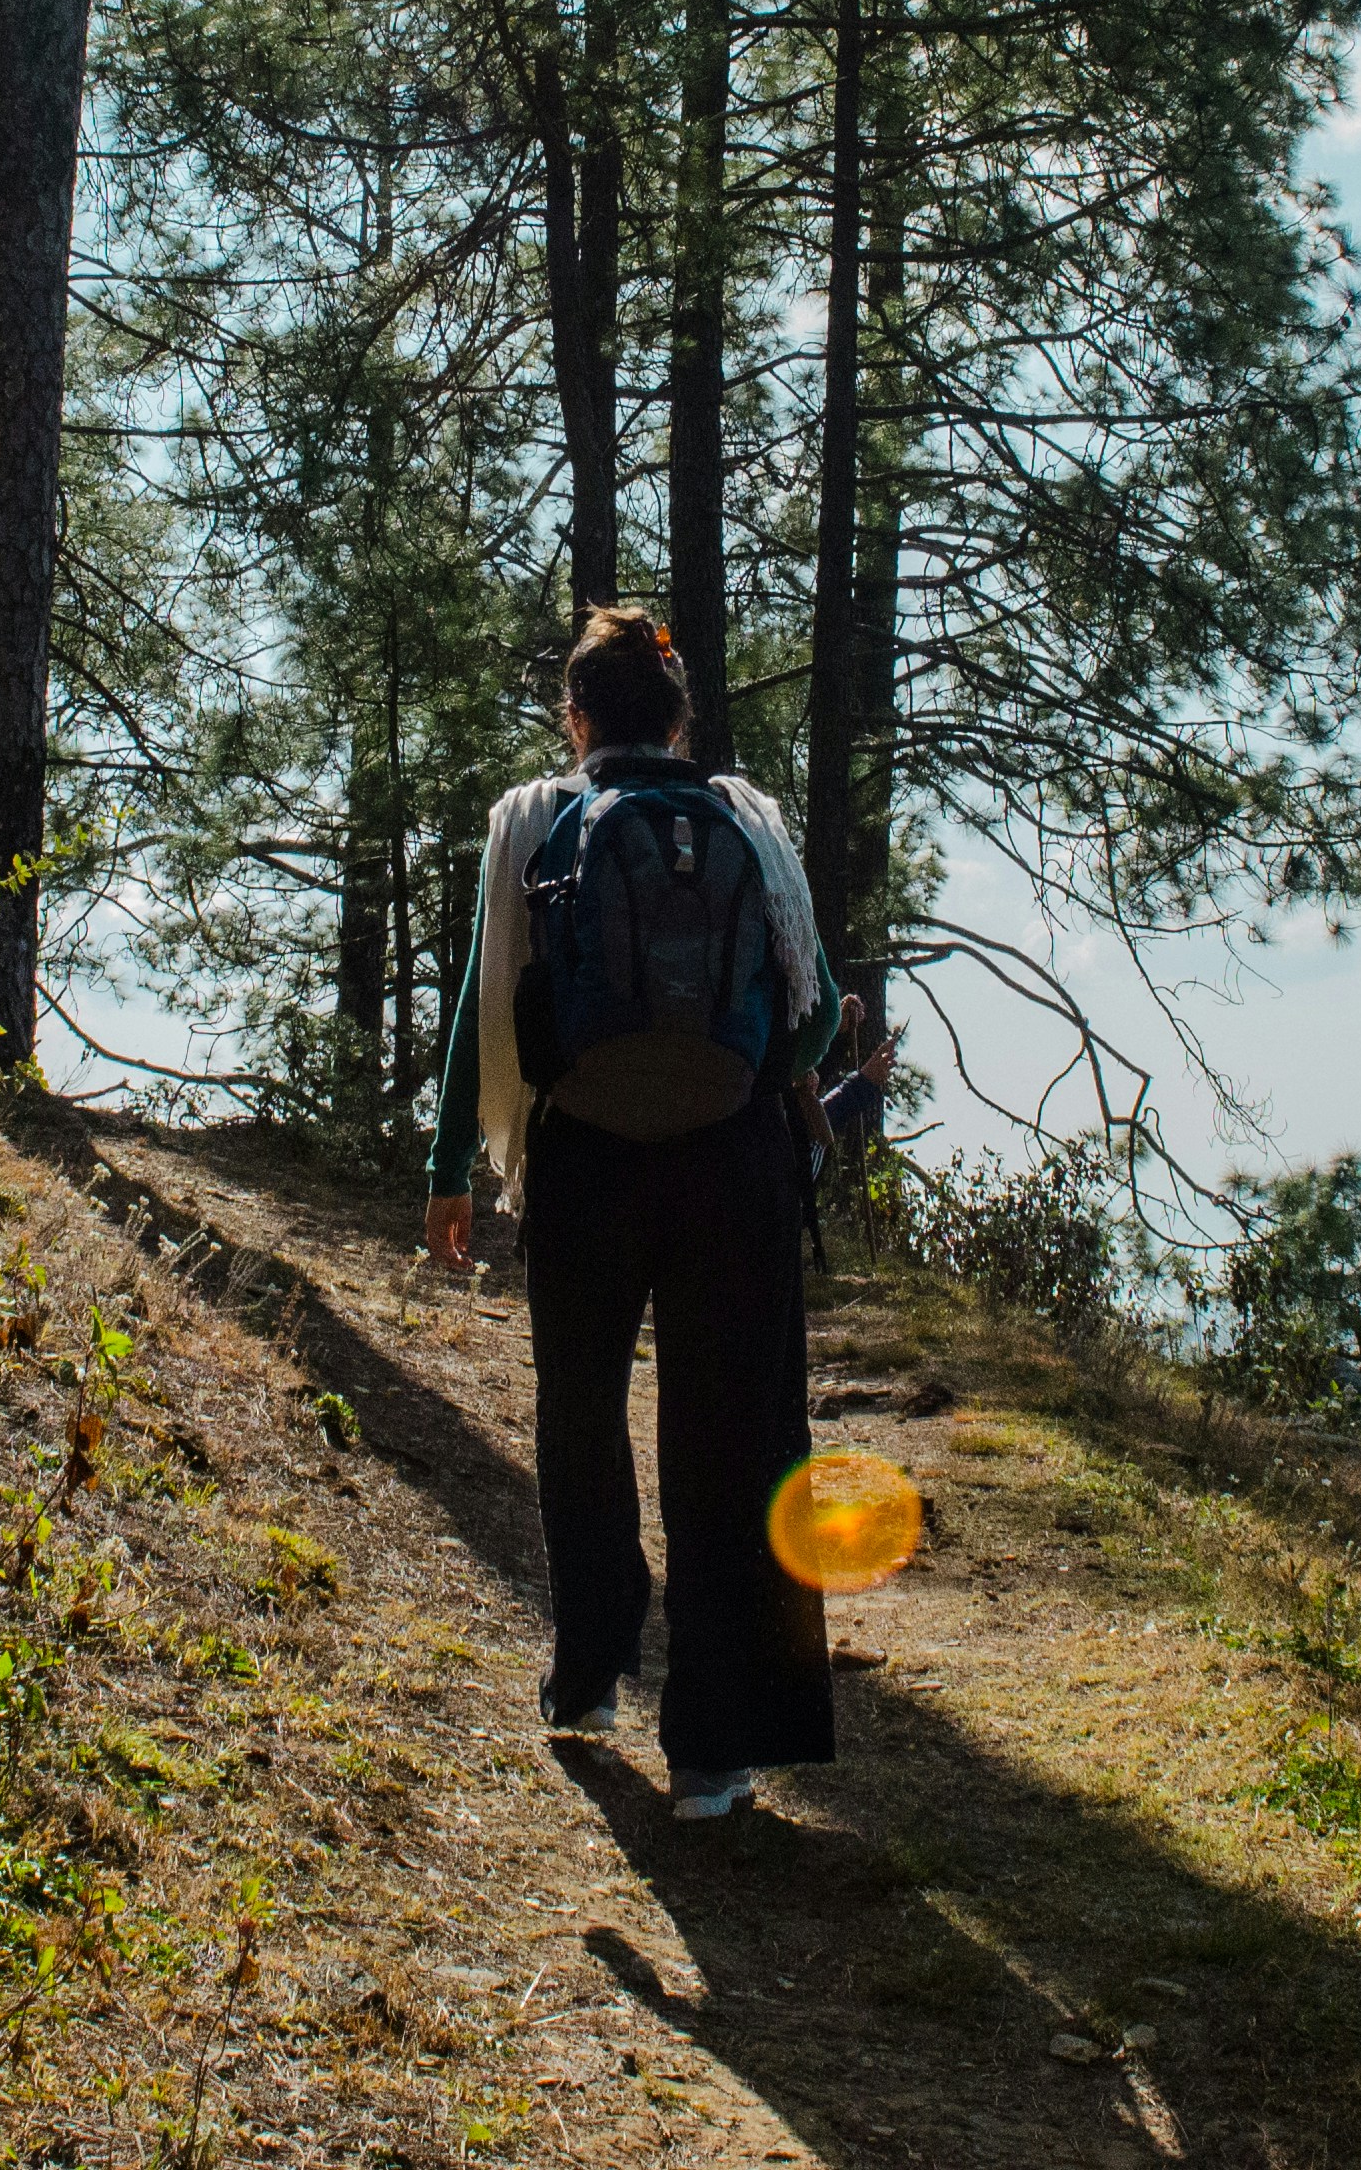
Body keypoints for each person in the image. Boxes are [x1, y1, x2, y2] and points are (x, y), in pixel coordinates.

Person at [420, 605, 854, 1819]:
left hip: (586, 1165)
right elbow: (811, 1019)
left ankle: (590, 1676)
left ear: (575, 719)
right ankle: (717, 1753)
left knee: (582, 1417)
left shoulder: (533, 822)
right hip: (734, 1167)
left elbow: (485, 1012)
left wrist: (453, 1166)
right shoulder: (747, 823)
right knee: (734, 1437)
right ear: (676, 718)